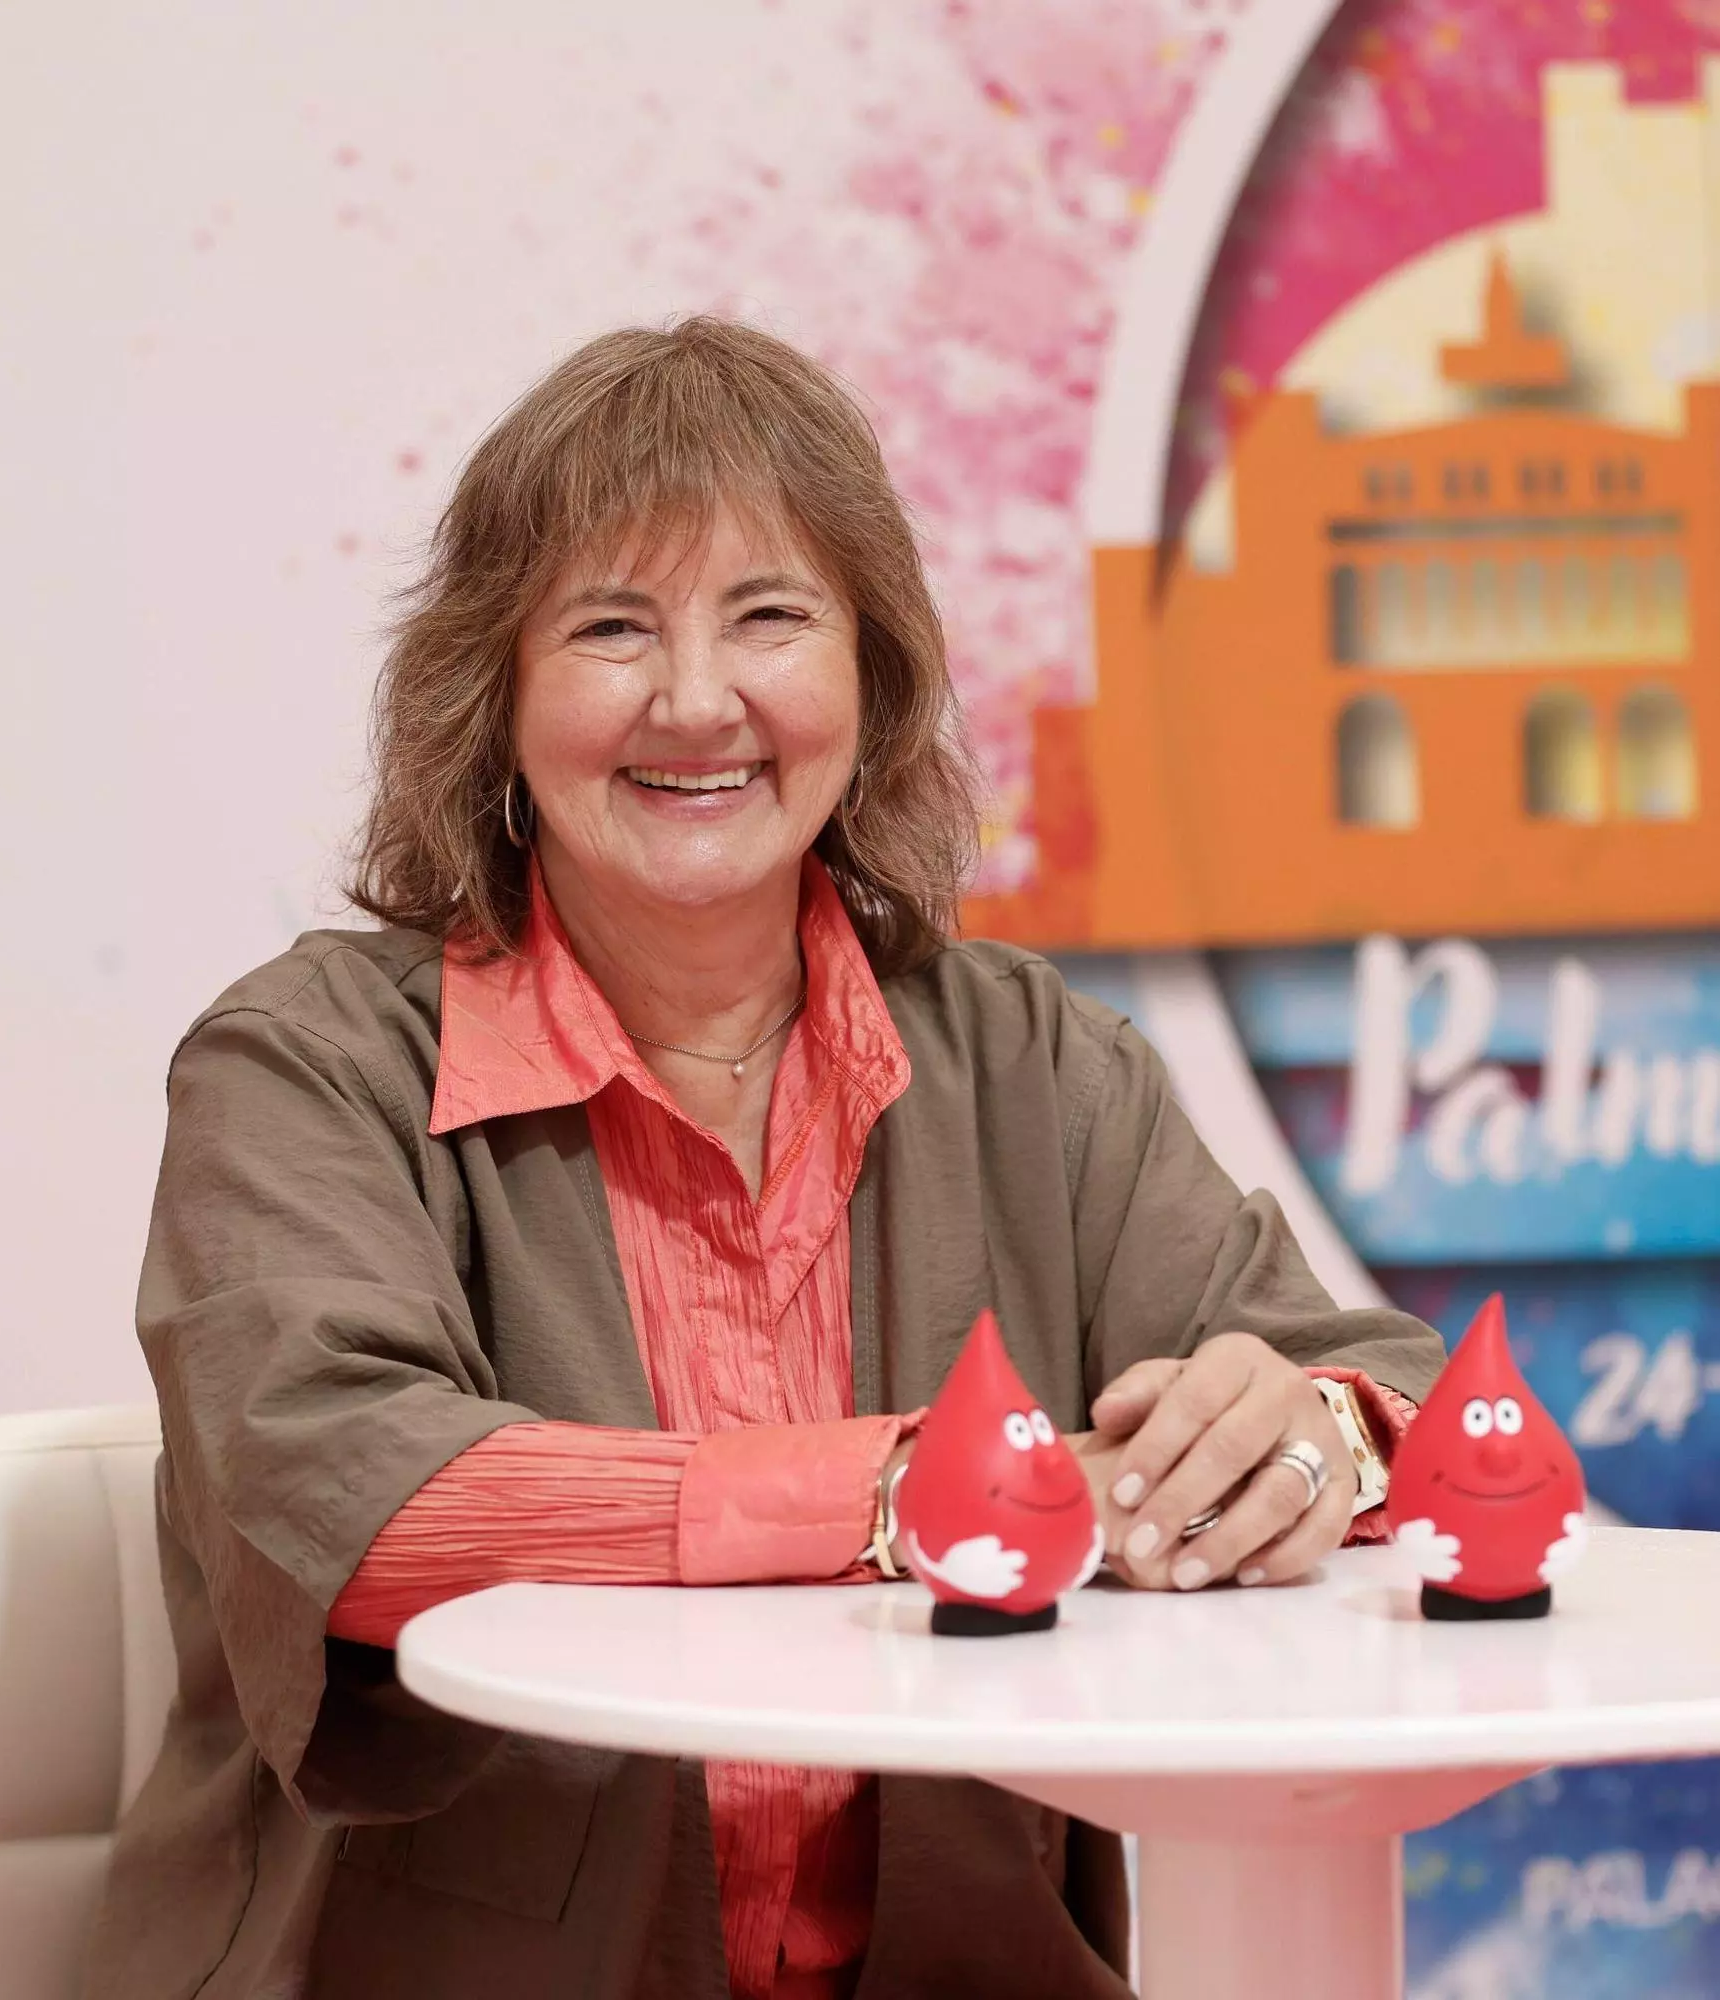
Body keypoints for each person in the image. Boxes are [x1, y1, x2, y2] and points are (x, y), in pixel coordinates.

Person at [85, 317, 1443, 2000]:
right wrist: (901, 1496)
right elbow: (347, 1499)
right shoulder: (302, 1065)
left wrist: (1311, 1443)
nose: (696, 700)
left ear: (872, 682)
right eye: (610, 627)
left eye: (770, 616)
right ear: (493, 698)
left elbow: (1403, 1403)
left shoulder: (1036, 1062)